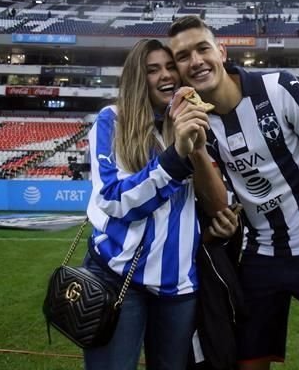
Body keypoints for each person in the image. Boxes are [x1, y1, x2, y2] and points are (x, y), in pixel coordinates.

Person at [168, 16, 299, 370]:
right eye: (183, 56)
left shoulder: (280, 88)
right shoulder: (196, 122)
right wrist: (194, 150)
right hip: (258, 256)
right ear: (178, 70)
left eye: (202, 48)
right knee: (245, 362)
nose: (195, 61)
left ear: (221, 52)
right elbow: (217, 203)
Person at [84, 38, 238, 370]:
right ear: (138, 78)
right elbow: (112, 199)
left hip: (179, 285)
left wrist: (195, 149)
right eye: (153, 70)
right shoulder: (112, 120)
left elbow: (217, 204)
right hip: (117, 276)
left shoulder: (188, 122)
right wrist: (174, 157)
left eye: (170, 67)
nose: (165, 75)